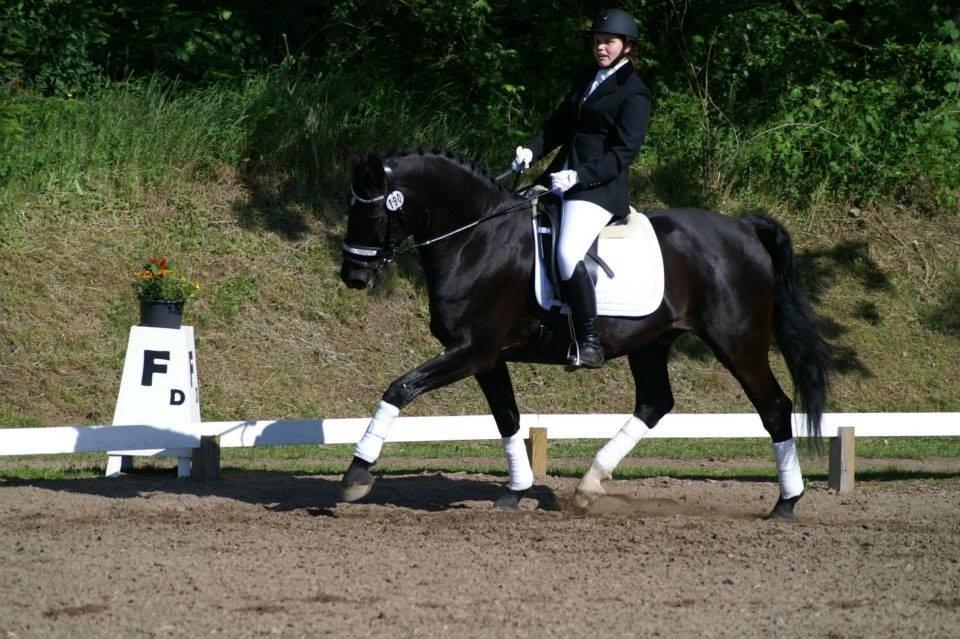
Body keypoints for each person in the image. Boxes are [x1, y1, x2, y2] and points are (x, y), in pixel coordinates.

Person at [512, 8, 652, 370]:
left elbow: (623, 153)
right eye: (597, 41)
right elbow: (560, 124)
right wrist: (532, 149)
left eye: (608, 42)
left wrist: (580, 177)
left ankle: (588, 342)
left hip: (598, 189)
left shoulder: (635, 93)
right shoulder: (589, 78)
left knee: (568, 253)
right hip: (559, 177)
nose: (601, 48)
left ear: (627, 46)